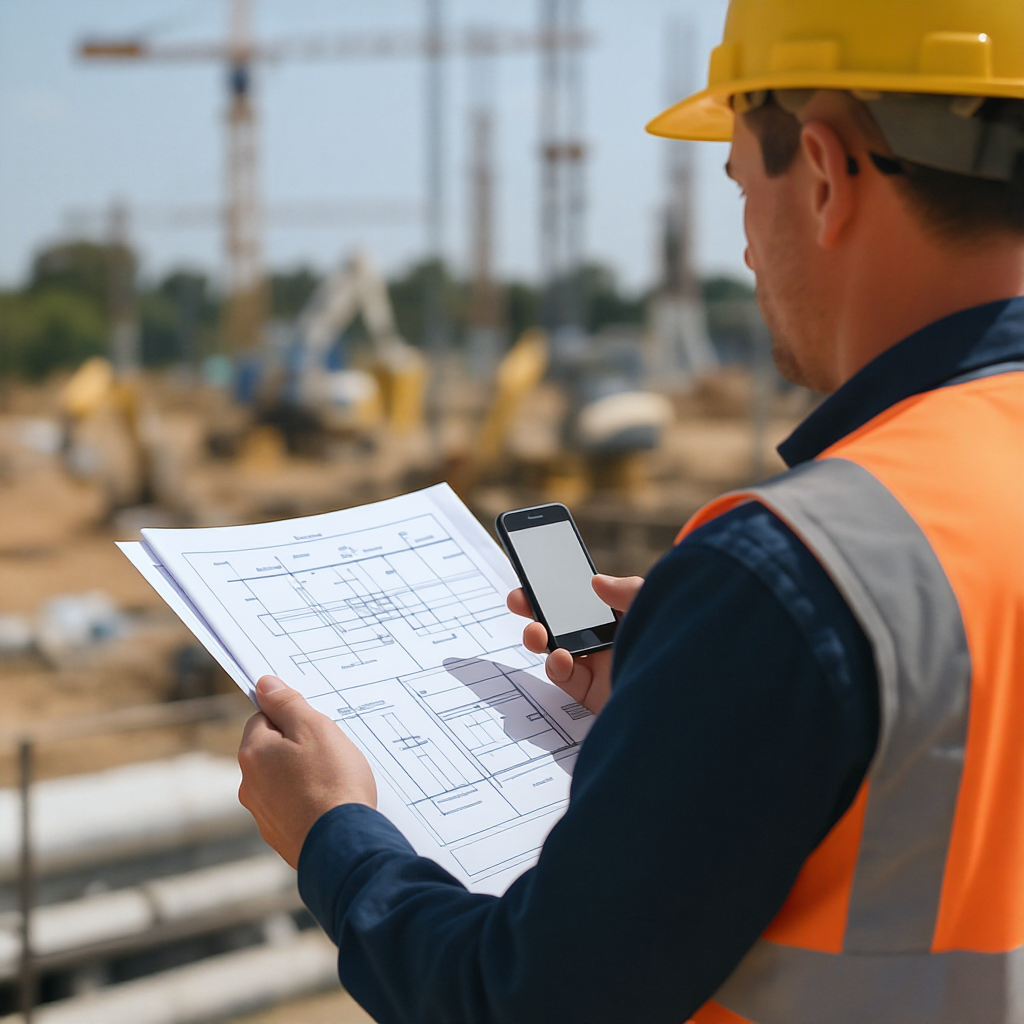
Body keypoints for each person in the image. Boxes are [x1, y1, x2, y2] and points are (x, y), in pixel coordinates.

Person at [237, 1, 1024, 1020]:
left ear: (823, 173)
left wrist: (334, 833)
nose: (742, 249)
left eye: (740, 183)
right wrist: (722, 669)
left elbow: (520, 1000)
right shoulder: (831, 575)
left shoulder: (794, 574)